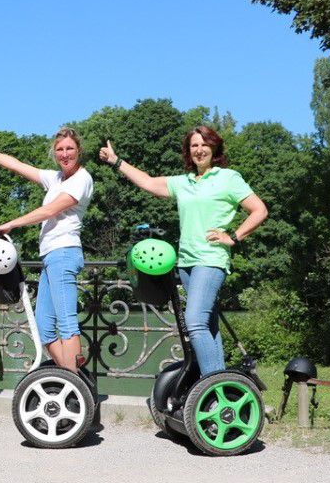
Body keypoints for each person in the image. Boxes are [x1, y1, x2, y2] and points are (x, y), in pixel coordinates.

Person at [99, 125, 268, 376]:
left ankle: (210, 388)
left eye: (204, 144)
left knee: (195, 322)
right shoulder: (184, 182)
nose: (199, 150)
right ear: (189, 152)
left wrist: (233, 236)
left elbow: (260, 210)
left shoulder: (228, 178)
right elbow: (147, 181)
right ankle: (218, 385)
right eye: (194, 146)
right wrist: (116, 161)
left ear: (214, 147)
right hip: (187, 263)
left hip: (211, 259)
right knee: (208, 325)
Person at [0, 127, 94, 372]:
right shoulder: (56, 179)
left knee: (67, 324)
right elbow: (17, 165)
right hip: (50, 256)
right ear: (54, 153)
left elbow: (49, 211)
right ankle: (72, 377)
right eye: (60, 149)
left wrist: (11, 224)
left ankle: (75, 384)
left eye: (69, 148)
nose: (65, 153)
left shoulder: (82, 179)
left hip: (65, 253)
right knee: (45, 328)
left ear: (78, 150)